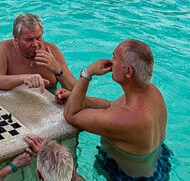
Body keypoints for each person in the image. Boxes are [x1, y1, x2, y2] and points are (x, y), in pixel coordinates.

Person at [62, 40, 171, 180]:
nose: (111, 61)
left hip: (129, 177)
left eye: (115, 58)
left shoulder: (127, 119)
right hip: (158, 163)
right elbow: (112, 107)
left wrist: (87, 73)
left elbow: (71, 114)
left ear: (128, 71)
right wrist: (78, 98)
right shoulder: (153, 92)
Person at [0, 13, 76, 93]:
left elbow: (76, 90)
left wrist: (58, 71)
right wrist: (23, 78)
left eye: (38, 38)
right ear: (16, 39)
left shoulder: (52, 51)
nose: (35, 44)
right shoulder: (5, 49)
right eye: (28, 40)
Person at [0, 137, 84, 181]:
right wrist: (45, 154)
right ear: (72, 171)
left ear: (39, 174)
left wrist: (11, 167)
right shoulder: (75, 176)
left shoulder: (39, 174)